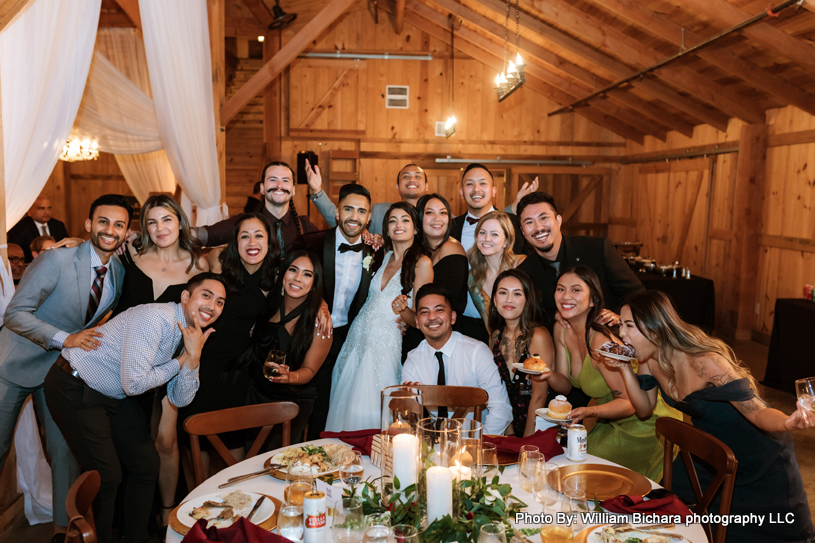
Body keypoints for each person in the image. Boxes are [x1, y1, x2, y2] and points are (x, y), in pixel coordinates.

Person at [615, 290, 815, 543]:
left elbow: (757, 411)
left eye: (629, 326)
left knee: (778, 531)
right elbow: (644, 409)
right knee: (673, 517)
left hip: (758, 454)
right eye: (621, 325)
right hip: (710, 455)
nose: (621, 334)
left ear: (654, 329)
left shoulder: (706, 362)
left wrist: (789, 422)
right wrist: (623, 366)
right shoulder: (649, 360)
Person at [44, 273, 227, 543]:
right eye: (207, 295)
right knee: (106, 476)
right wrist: (182, 360)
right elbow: (134, 384)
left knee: (146, 464)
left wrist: (193, 358)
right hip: (75, 384)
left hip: (114, 393)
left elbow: (180, 399)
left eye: (220, 302)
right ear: (186, 297)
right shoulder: (155, 318)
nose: (212, 306)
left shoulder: (192, 336)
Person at [0, 194, 132, 543]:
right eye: (103, 221)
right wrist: (65, 338)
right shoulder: (55, 260)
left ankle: (64, 531)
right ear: (89, 225)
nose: (110, 230)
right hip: (13, 364)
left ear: (126, 232)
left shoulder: (118, 273)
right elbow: (14, 314)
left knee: (64, 452)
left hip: (58, 374)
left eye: (118, 224)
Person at [110, 194, 208, 531]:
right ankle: (130, 516)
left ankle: (168, 514)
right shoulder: (130, 255)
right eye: (151, 222)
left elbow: (206, 313)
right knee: (127, 442)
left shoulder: (199, 265)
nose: (159, 228)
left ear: (180, 221)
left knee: (165, 442)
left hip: (170, 363)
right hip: (125, 362)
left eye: (166, 220)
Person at [542, 266, 674, 481]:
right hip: (610, 420)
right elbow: (565, 385)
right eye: (560, 289)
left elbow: (629, 404)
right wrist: (547, 373)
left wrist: (586, 412)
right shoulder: (561, 330)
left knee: (584, 465)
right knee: (568, 456)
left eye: (576, 290)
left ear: (593, 300)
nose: (566, 296)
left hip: (646, 423)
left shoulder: (600, 342)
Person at [178, 213, 280, 477]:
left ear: (270, 242)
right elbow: (182, 260)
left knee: (232, 441)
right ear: (234, 242)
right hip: (200, 360)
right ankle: (195, 504)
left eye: (259, 235)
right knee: (194, 440)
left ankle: (234, 504)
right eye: (244, 236)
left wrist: (323, 306)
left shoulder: (275, 275)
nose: (252, 242)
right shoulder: (219, 263)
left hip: (237, 368)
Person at [326, 202, 433, 431]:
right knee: (345, 407)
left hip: (384, 345)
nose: (398, 225)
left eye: (405, 220)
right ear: (386, 229)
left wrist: (402, 311)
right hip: (357, 340)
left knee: (373, 410)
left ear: (415, 228)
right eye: (392, 220)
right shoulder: (382, 257)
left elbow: (422, 320)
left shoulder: (422, 264)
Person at [302, 184, 384, 440]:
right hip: (310, 335)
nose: (354, 216)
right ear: (337, 212)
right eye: (348, 209)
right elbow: (287, 279)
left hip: (350, 339)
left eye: (361, 211)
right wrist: (317, 301)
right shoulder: (311, 243)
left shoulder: (376, 252)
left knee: (339, 404)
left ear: (369, 218)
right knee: (308, 406)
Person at [241, 251, 332, 448]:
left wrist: (289, 377)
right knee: (249, 455)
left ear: (314, 282)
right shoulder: (268, 300)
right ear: (283, 273)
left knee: (278, 461)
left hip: (292, 400)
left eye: (307, 274)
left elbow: (310, 370)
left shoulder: (320, 322)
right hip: (256, 393)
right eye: (293, 270)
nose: (298, 278)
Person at [515, 191, 644, 330]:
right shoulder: (524, 272)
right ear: (523, 232)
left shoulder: (597, 249)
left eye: (543, 218)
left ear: (558, 221)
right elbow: (532, 315)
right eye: (529, 222)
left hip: (607, 336)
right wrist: (554, 317)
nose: (539, 228)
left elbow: (635, 290)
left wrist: (619, 316)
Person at [402, 283, 512, 435]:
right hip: (434, 446)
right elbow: (407, 418)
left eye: (439, 310)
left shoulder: (477, 352)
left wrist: (479, 444)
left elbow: (501, 408)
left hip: (475, 442)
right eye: (424, 312)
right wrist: (408, 405)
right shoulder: (413, 359)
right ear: (417, 322)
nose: (432, 317)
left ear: (453, 317)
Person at [451, 164, 531, 344]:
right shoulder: (450, 227)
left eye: (482, 183)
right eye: (469, 184)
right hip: (465, 324)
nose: (476, 189)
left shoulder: (515, 223)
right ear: (461, 191)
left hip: (516, 324)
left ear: (494, 190)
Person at [197, 161, 317, 256]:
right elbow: (208, 234)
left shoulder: (304, 224)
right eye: (273, 180)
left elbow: (332, 245)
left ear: (293, 190)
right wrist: (180, 230)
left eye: (285, 180)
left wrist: (318, 191)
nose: (279, 185)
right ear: (262, 188)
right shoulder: (244, 222)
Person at [400, 194, 468, 357]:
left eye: (443, 213)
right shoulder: (418, 249)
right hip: (419, 333)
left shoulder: (451, 249)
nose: (438, 218)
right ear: (420, 219)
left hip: (438, 341)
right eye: (430, 213)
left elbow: (439, 309)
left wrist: (407, 317)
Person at [487, 270, 553, 437]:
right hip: (506, 425)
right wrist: (509, 434)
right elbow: (497, 392)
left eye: (517, 293)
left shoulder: (538, 335)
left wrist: (525, 442)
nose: (509, 299)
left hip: (537, 427)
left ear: (527, 300)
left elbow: (539, 396)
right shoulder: (495, 337)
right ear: (494, 299)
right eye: (503, 293)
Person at [307, 162, 428, 236]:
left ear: (426, 186)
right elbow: (346, 222)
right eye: (406, 176)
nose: (412, 179)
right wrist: (317, 191)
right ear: (397, 186)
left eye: (418, 176)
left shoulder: (434, 215)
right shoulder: (379, 210)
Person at [467, 211, 526, 333]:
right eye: (482, 233)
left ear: (506, 241)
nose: (487, 239)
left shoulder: (521, 264)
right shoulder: (473, 277)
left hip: (530, 336)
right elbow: (489, 326)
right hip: (500, 341)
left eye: (494, 234)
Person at [8, 195, 69, 261]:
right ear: (29, 210)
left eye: (49, 208)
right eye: (42, 208)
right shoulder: (19, 228)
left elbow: (66, 248)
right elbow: (16, 253)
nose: (47, 212)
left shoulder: (58, 225)